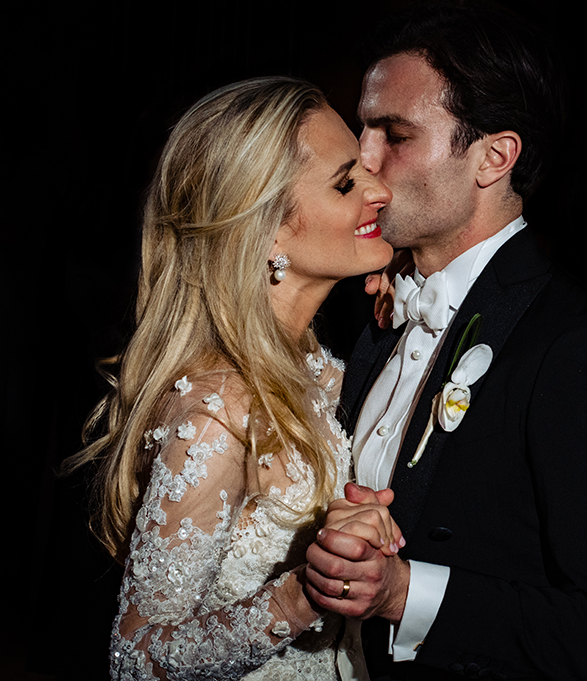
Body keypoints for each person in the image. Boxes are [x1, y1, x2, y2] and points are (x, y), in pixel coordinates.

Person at [304, 5, 587, 680]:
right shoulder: (371, 306)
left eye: (395, 133)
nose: (364, 157)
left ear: (494, 156)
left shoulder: (577, 348)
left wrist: (404, 594)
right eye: (363, 126)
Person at [64, 76, 405, 680]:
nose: (379, 189)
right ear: (268, 228)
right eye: (346, 182)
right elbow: (135, 661)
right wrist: (303, 596)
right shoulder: (217, 412)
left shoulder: (321, 367)